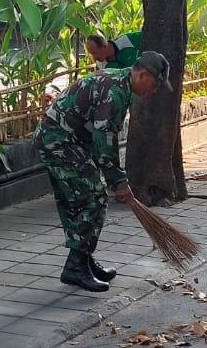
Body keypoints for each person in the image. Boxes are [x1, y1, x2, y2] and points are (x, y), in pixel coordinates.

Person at [36, 51, 168, 293]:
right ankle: (75, 266)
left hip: (66, 140)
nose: (155, 90)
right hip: (59, 141)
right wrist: (118, 181)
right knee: (94, 198)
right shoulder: (116, 92)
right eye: (155, 83)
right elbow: (104, 139)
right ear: (143, 75)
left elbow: (101, 135)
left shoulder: (119, 82)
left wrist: (114, 176)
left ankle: (83, 260)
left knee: (78, 200)